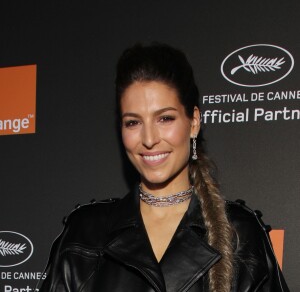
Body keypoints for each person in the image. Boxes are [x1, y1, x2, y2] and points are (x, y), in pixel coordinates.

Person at [38, 43, 289, 292]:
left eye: (165, 118)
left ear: (193, 123)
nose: (148, 139)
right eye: (133, 122)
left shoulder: (239, 233)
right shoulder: (84, 233)